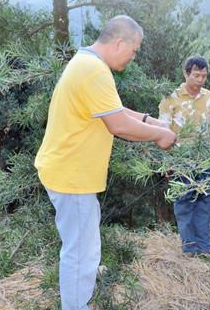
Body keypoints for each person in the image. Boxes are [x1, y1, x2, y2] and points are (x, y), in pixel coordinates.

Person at [34, 15, 177, 310]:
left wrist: (150, 121)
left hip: (70, 172)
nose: (133, 56)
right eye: (134, 49)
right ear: (119, 41)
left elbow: (113, 109)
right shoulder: (94, 70)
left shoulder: (86, 62)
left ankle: (79, 296)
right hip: (71, 175)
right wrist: (159, 136)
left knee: (85, 246)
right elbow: (118, 125)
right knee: (79, 254)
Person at [158, 56, 210, 255]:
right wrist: (167, 162)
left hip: (204, 159)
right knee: (184, 204)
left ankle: (204, 248)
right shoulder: (170, 97)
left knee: (205, 202)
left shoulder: (208, 96)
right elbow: (162, 131)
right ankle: (189, 249)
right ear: (186, 74)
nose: (200, 80)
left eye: (204, 76)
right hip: (180, 159)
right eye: (196, 75)